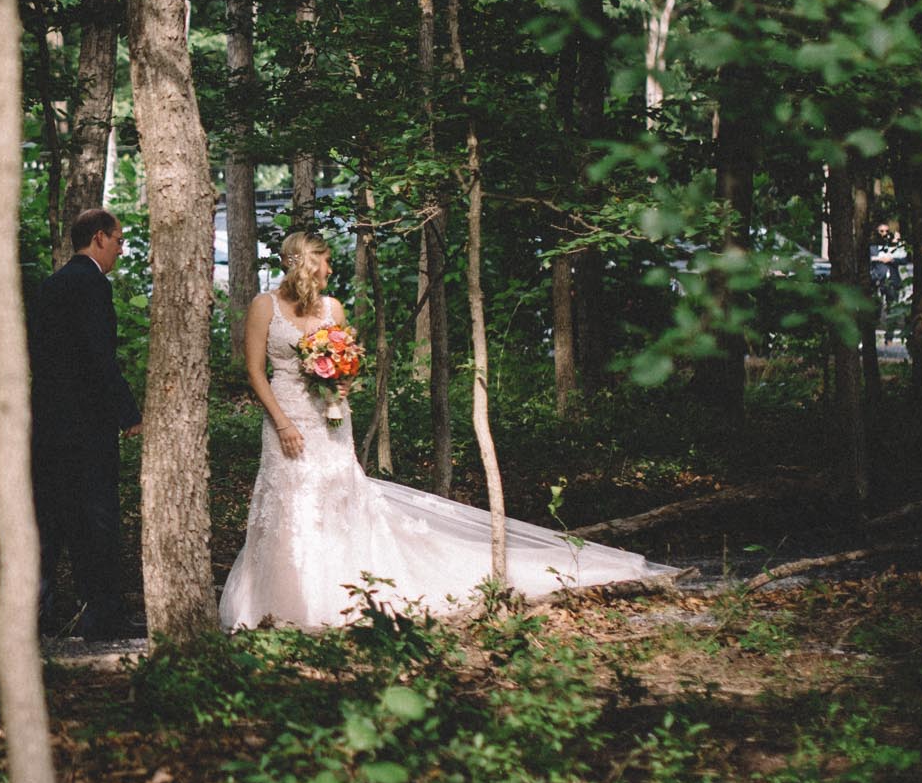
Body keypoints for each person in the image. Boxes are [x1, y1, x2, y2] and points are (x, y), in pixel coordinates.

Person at [218, 230, 667, 629]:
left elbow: (347, 355)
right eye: (325, 260)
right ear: (307, 263)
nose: (331, 268)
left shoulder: (332, 308)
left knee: (338, 495)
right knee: (289, 498)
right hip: (286, 417)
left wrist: (344, 381)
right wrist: (282, 422)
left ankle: (342, 591)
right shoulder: (265, 307)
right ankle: (284, 601)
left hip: (331, 418)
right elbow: (256, 372)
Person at [28, 208, 142, 641]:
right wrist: (127, 411)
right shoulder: (93, 285)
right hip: (86, 425)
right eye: (117, 240)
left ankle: (41, 612)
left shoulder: (50, 285)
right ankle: (102, 615)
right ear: (98, 238)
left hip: (47, 422)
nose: (119, 249)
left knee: (51, 519)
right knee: (97, 518)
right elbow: (99, 357)